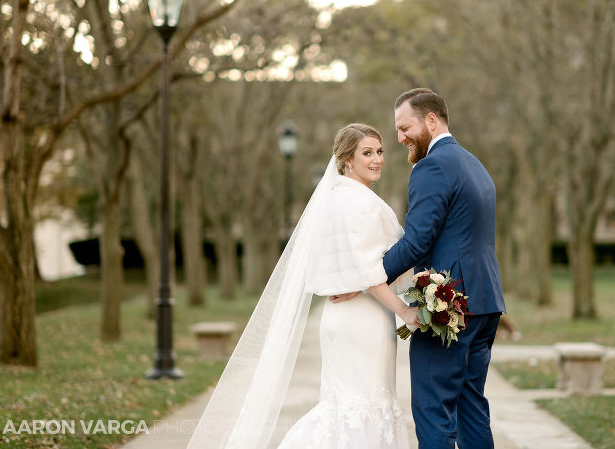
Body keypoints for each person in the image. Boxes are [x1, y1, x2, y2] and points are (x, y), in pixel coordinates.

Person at [187, 123, 419, 449]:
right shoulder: (362, 203)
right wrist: (405, 311)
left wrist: (359, 282)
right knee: (364, 406)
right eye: (367, 153)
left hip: (340, 318)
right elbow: (370, 273)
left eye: (380, 151)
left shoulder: (332, 201)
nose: (377, 159)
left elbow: (351, 268)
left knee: (344, 406)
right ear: (347, 160)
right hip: (364, 320)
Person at [339, 88, 506, 448]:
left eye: (404, 127)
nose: (399, 139)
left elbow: (417, 242)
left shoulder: (432, 166)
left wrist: (367, 276)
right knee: (471, 405)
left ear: (431, 120)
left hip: (449, 309)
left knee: (434, 410)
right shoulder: (473, 163)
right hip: (486, 304)